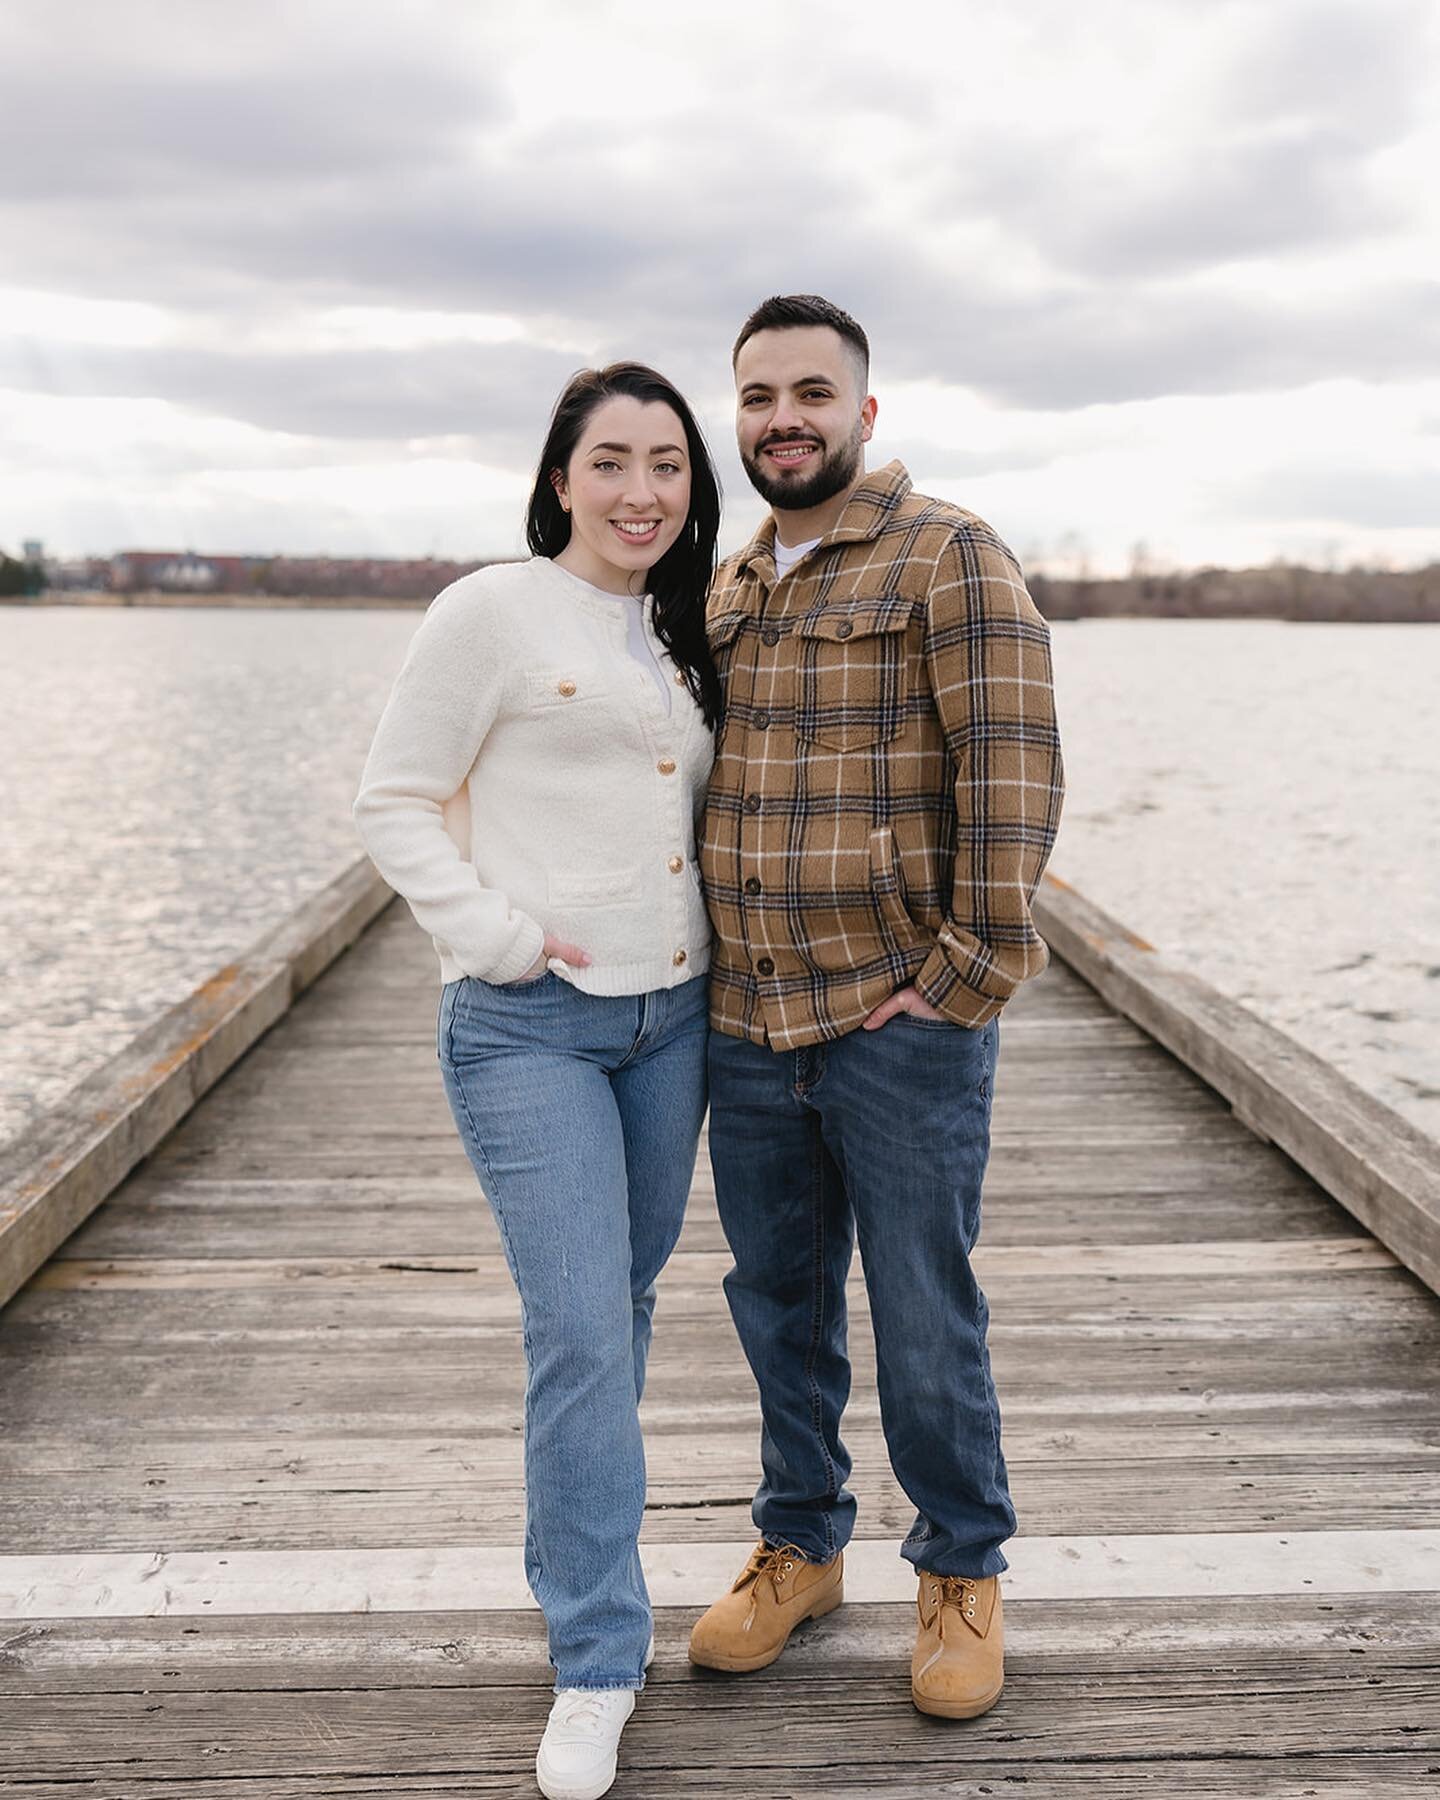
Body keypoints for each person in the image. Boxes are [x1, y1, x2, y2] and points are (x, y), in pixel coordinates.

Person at [688, 295, 1064, 1719]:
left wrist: (962, 978)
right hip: (747, 1019)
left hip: (896, 1026)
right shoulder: (730, 587)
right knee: (777, 1302)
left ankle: (961, 1569)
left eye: (811, 391)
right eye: (759, 395)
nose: (784, 416)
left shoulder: (947, 553)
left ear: (864, 410)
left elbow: (1016, 769)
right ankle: (801, 1546)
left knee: (922, 1307)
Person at [353, 362, 722, 1800]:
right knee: (579, 1333)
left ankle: (579, 1561)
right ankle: (596, 1658)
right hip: (531, 1028)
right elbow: (392, 798)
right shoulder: (491, 610)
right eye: (613, 461)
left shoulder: (689, 628)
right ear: (563, 475)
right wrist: (497, 936)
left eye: (670, 466)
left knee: (619, 1317)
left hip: (673, 1027)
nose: (642, 491)